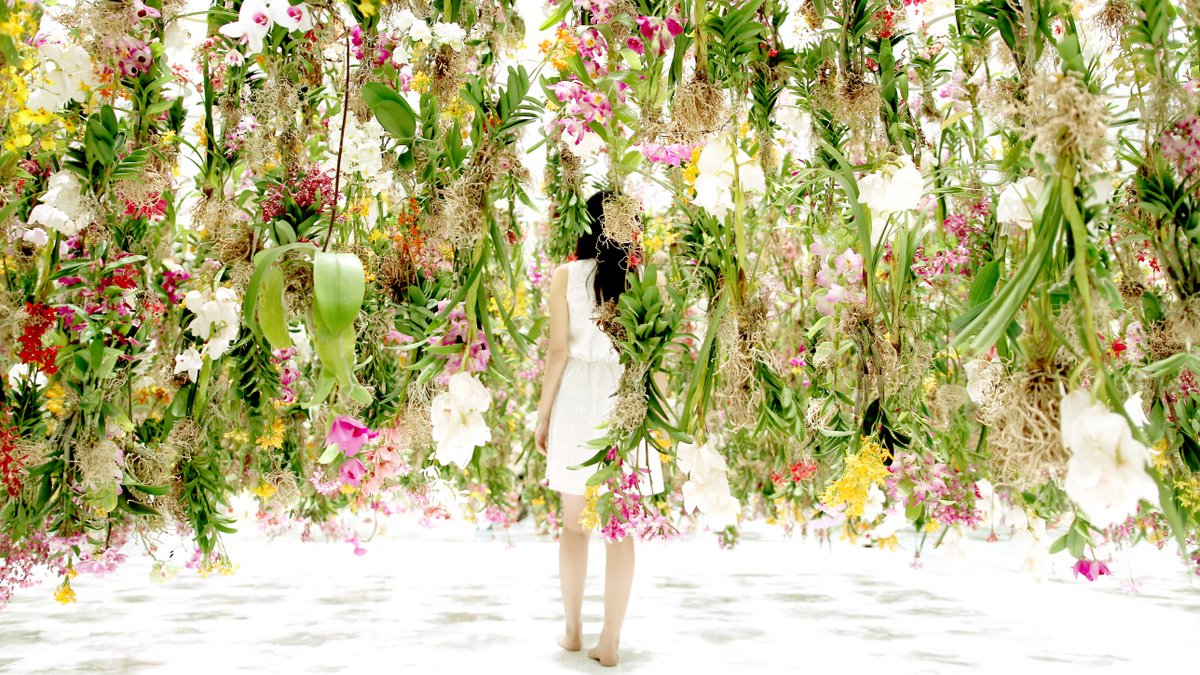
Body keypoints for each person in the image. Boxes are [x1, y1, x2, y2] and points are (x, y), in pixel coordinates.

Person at [535, 190, 664, 667]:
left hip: (574, 397)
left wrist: (544, 414)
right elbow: (651, 351)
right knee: (620, 526)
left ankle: (573, 631)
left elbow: (557, 353)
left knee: (574, 528)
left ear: (586, 225)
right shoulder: (643, 276)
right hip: (625, 399)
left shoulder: (566, 276)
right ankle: (610, 641)